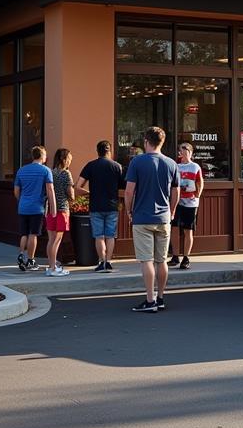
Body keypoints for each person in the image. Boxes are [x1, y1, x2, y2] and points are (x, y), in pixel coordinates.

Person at [125, 126, 179, 313]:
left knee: (146, 260)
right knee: (161, 259)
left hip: (142, 217)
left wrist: (128, 210)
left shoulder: (137, 162)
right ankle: (161, 297)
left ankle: (150, 300)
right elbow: (176, 192)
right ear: (162, 142)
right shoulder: (171, 164)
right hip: (164, 218)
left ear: (146, 142)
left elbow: (129, 190)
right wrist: (171, 212)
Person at [77, 140, 124, 273]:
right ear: (109, 151)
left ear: (97, 151)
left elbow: (78, 186)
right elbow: (123, 188)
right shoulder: (117, 167)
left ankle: (101, 261)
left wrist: (89, 193)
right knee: (110, 236)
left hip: (96, 205)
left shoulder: (91, 166)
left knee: (99, 236)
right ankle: (108, 262)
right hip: (112, 205)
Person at [13, 145, 56, 271]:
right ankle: (31, 260)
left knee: (24, 234)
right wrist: (53, 207)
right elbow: (50, 189)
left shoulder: (21, 170)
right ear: (42, 156)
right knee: (33, 234)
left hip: (23, 207)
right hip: (37, 207)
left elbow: (16, 191)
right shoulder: (45, 171)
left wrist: (21, 201)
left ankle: (21, 254)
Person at [168, 141, 204, 271]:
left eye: (185, 151)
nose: (182, 154)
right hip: (177, 201)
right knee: (175, 228)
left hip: (190, 203)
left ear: (190, 153)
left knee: (188, 230)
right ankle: (175, 255)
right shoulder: (176, 166)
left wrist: (197, 194)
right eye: (181, 151)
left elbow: (200, 182)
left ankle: (186, 257)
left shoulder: (195, 167)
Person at [45, 147, 74, 277]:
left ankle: (51, 265)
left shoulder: (51, 172)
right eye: (69, 158)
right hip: (62, 209)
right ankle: (53, 268)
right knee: (57, 240)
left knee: (51, 240)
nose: (70, 160)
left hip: (50, 209)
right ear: (64, 159)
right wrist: (72, 197)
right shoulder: (66, 173)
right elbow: (71, 193)